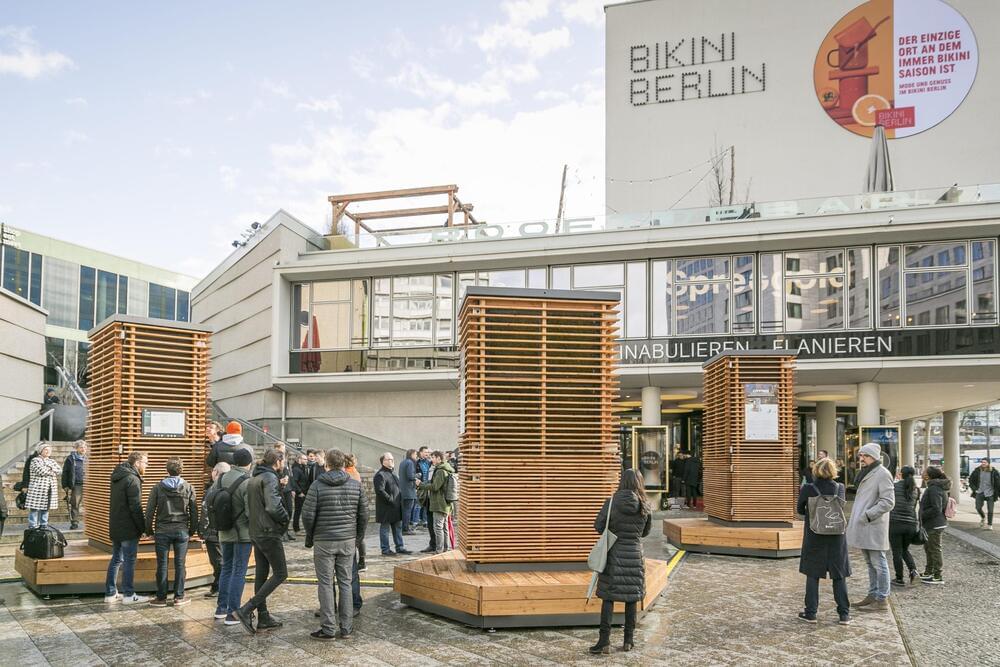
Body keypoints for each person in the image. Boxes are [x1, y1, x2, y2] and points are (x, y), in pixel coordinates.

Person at [303, 448, 368, 640]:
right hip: (347, 541)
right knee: (346, 583)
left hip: (324, 540)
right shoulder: (355, 485)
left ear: (327, 464)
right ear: (343, 464)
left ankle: (328, 629)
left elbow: (307, 515)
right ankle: (346, 628)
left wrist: (311, 536)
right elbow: (364, 515)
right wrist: (357, 538)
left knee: (325, 583)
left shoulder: (317, 485)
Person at [590, 469, 652, 655]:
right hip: (634, 556)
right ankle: (628, 641)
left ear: (621, 482)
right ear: (639, 483)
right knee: (631, 599)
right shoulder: (644, 505)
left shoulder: (611, 503)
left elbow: (598, 526)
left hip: (613, 555)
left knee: (608, 598)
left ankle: (604, 642)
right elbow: (645, 532)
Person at [235, 448, 290, 634]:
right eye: (283, 461)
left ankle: (264, 617)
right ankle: (246, 609)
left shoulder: (256, 477)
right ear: (278, 462)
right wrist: (285, 518)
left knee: (261, 573)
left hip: (256, 531)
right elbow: (273, 507)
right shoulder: (269, 477)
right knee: (281, 573)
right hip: (268, 532)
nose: (284, 464)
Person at [796, 458, 851, 625]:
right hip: (836, 536)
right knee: (839, 575)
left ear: (816, 470)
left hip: (815, 535)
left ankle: (811, 613)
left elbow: (800, 510)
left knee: (813, 574)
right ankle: (844, 615)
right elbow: (841, 508)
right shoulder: (840, 488)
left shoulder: (808, 488)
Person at [846, 443, 895, 612]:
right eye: (860, 455)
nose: (861, 459)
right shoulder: (868, 472)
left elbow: (888, 501)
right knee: (870, 563)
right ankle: (873, 594)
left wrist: (868, 515)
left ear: (873, 456)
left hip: (873, 525)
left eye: (864, 456)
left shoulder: (882, 474)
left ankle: (882, 599)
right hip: (866, 525)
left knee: (879, 563)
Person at [145, 457, 198, 607]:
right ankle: (179, 597)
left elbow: (149, 511)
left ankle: (161, 598)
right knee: (180, 564)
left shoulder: (157, 487)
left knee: (162, 564)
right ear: (182, 470)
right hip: (181, 531)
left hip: (162, 531)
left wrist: (149, 531)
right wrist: (191, 531)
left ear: (167, 470)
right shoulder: (188, 487)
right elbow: (194, 512)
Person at [104, 451, 149, 604]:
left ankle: (110, 593)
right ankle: (129, 595)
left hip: (116, 525)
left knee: (117, 558)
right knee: (129, 560)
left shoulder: (118, 476)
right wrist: (143, 528)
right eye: (145, 463)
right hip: (129, 528)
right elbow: (135, 507)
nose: (146, 466)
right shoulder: (132, 479)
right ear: (137, 463)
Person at [215, 448, 254, 625]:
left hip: (224, 531)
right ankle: (233, 613)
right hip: (242, 534)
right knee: (239, 570)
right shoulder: (247, 481)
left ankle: (221, 609)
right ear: (249, 463)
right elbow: (250, 511)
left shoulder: (221, 478)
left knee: (226, 568)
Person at [200, 461, 230, 598]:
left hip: (213, 532)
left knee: (217, 561)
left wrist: (203, 531)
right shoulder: (231, 487)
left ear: (216, 472)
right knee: (224, 560)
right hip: (228, 530)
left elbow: (205, 512)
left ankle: (218, 587)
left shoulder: (213, 489)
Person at [888, 466, 921, 585]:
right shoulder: (916, 490)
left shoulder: (894, 487)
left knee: (897, 551)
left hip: (895, 523)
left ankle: (899, 578)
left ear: (901, 474)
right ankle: (913, 571)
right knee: (904, 549)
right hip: (911, 524)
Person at [373, 452, 410, 556]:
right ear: (383, 461)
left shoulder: (393, 473)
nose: (392, 461)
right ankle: (385, 549)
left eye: (392, 459)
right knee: (385, 529)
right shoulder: (380, 475)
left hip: (396, 507)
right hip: (386, 507)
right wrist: (391, 499)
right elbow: (380, 491)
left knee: (398, 528)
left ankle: (400, 547)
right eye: (389, 459)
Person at [919, 466, 950, 585]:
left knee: (935, 549)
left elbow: (936, 508)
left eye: (924, 471)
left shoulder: (934, 488)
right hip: (933, 523)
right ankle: (929, 572)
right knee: (929, 549)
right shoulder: (934, 487)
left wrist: (922, 515)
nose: (922, 473)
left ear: (928, 475)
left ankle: (938, 575)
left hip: (935, 524)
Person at [26, 443, 61, 528]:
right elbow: (41, 471)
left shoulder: (52, 461)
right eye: (46, 449)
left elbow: (59, 470)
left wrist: (49, 469)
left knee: (46, 507)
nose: (48, 451)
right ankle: (33, 525)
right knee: (34, 508)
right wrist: (52, 470)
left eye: (49, 450)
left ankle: (43, 524)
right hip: (37, 488)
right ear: (40, 451)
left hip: (49, 488)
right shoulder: (35, 460)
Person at [428, 450, 455, 553]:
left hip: (440, 503)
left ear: (439, 458)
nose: (431, 460)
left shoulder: (440, 471)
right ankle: (445, 548)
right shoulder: (446, 468)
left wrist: (421, 485)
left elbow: (435, 487)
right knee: (444, 527)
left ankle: (439, 550)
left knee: (438, 527)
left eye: (433, 457)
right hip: (446, 503)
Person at [343, 453, 366, 569]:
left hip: (349, 507)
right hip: (357, 505)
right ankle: (362, 561)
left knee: (351, 536)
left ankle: (353, 562)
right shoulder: (355, 472)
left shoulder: (345, 473)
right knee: (359, 536)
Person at [61, 440, 87, 529]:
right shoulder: (70, 458)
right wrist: (65, 485)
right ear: (76, 448)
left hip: (89, 484)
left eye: (85, 447)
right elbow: (65, 472)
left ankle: (92, 523)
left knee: (92, 504)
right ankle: (74, 522)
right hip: (77, 485)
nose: (83, 449)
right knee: (75, 504)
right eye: (81, 447)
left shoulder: (90, 458)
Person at [274, 442, 296, 542]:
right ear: (276, 448)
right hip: (280, 489)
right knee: (283, 511)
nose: (283, 450)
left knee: (290, 511)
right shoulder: (274, 459)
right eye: (282, 448)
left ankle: (286, 531)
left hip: (288, 489)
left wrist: (292, 488)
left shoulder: (286, 459)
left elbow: (289, 474)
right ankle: (282, 533)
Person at [969, 457, 999, 530]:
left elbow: (998, 483)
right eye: (982, 462)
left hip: (990, 493)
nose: (983, 463)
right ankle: (983, 517)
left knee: (990, 510)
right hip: (980, 492)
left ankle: (990, 524)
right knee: (978, 508)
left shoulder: (994, 472)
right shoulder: (977, 471)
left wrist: (998, 492)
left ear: (988, 463)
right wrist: (974, 489)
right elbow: (971, 480)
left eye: (985, 462)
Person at [399, 449, 419, 535]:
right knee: (407, 511)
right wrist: (417, 476)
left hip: (403, 490)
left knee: (404, 510)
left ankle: (403, 528)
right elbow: (410, 476)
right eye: (415, 454)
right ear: (411, 454)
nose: (416, 456)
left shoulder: (402, 462)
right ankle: (405, 529)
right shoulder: (410, 463)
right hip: (409, 491)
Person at [292, 453, 311, 533]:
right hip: (300, 494)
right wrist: (299, 492)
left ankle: (298, 527)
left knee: (301, 511)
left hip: (304, 492)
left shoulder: (302, 467)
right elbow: (294, 482)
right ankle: (296, 528)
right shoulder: (296, 469)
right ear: (299, 459)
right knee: (298, 511)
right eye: (305, 459)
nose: (307, 460)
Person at [417, 447, 432, 527]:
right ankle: (418, 519)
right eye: (425, 452)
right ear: (421, 452)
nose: (427, 454)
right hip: (419, 486)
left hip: (427, 485)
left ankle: (425, 520)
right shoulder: (417, 462)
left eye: (428, 452)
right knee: (420, 503)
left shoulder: (428, 462)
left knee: (426, 503)